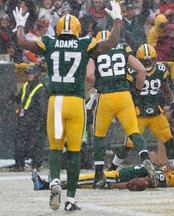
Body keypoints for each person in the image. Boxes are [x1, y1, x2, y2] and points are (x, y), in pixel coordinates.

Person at [13, 0, 123, 211]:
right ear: (77, 29)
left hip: (56, 101)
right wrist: (117, 20)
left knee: (55, 148)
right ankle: (70, 199)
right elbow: (111, 42)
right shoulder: (84, 44)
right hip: (75, 101)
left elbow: (22, 42)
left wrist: (20, 25)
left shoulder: (49, 42)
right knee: (74, 151)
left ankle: (54, 180)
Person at [85, 32, 159, 190]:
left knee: (99, 136)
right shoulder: (123, 48)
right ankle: (146, 160)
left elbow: (90, 76)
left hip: (106, 97)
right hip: (124, 96)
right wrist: (136, 92)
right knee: (134, 133)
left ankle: (99, 173)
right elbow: (141, 70)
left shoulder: (94, 51)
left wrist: (102, 84)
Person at [108, 44, 174, 172]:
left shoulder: (161, 70)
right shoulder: (132, 71)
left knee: (168, 139)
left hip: (155, 113)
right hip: (138, 113)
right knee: (129, 144)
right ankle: (112, 168)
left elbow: (167, 90)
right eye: (143, 61)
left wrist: (173, 103)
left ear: (154, 59)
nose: (147, 63)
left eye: (149, 60)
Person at [10, 65, 48, 172]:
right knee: (19, 143)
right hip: (23, 120)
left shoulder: (41, 88)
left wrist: (41, 122)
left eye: (31, 74)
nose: (29, 76)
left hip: (34, 121)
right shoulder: (26, 86)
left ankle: (35, 165)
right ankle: (19, 165)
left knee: (35, 144)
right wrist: (13, 98)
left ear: (36, 75)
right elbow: (21, 98)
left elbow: (43, 108)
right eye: (28, 74)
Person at [31, 164, 174, 190]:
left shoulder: (158, 177)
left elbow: (136, 183)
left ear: (172, 176)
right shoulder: (159, 173)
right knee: (82, 181)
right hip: (115, 176)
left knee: (81, 181)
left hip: (116, 178)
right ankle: (48, 183)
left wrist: (112, 186)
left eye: (173, 169)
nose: (170, 166)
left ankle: (44, 185)